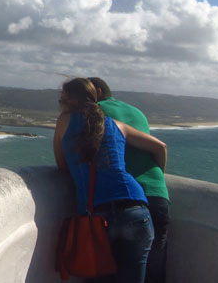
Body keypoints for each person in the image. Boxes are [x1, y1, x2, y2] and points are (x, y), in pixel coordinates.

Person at [53, 78, 167, 283]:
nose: (61, 103)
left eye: (63, 99)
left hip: (98, 215)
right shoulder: (116, 124)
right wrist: (159, 176)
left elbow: (62, 165)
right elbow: (160, 147)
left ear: (72, 101)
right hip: (137, 210)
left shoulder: (64, 121)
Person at [88, 77, 170, 283]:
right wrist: (156, 179)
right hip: (157, 193)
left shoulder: (94, 112)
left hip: (123, 197)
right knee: (153, 268)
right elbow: (159, 147)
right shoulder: (137, 112)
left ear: (97, 91)